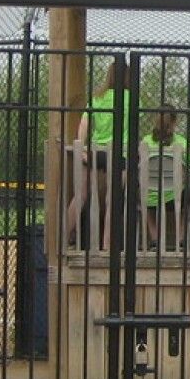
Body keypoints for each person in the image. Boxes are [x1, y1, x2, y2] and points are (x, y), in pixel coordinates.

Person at [69, 59, 133, 247]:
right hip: (118, 152)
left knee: (80, 195)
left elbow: (83, 124)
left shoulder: (97, 98)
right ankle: (106, 245)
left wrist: (81, 147)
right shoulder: (130, 98)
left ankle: (62, 237)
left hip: (95, 150)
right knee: (112, 199)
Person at [143, 109, 190, 249]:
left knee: (142, 199)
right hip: (175, 196)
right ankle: (181, 239)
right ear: (175, 122)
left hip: (151, 197)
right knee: (187, 201)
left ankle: (154, 240)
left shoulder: (146, 141)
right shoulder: (181, 142)